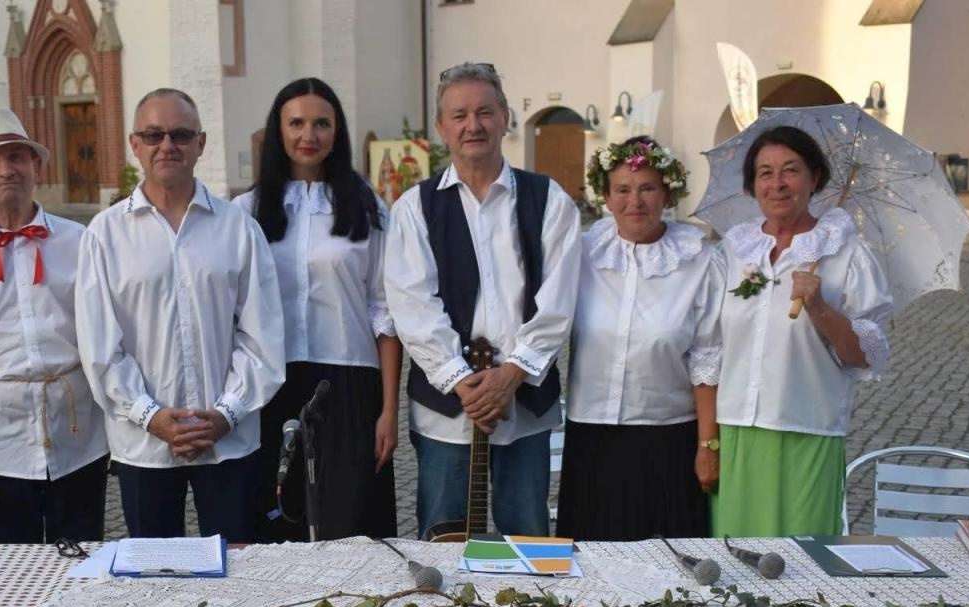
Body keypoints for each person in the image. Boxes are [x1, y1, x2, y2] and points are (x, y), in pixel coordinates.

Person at [75, 88, 283, 541]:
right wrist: (150, 415)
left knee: (238, 566)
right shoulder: (104, 235)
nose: (167, 145)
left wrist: (226, 413)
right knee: (155, 570)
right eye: (154, 135)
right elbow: (99, 346)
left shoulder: (238, 228)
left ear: (200, 143)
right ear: (135, 144)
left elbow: (262, 336)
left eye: (180, 135)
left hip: (228, 441)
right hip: (143, 443)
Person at [385, 62, 580, 539]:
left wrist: (511, 374)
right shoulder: (414, 208)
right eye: (459, 115)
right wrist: (463, 383)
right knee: (443, 539)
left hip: (526, 402)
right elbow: (413, 305)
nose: (473, 125)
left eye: (484, 112)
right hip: (448, 411)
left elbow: (558, 301)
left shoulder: (548, 199)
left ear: (506, 117)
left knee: (527, 537)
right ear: (441, 127)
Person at [236, 77, 399, 542]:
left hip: (349, 383)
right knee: (276, 522)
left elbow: (384, 312)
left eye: (322, 124)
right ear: (279, 130)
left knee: (349, 524)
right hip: (270, 382)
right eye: (297, 123)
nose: (309, 135)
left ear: (337, 131)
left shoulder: (367, 207)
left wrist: (389, 411)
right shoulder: (246, 211)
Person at [711, 124, 892, 537]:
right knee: (736, 556)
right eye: (765, 173)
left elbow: (865, 355)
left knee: (801, 559)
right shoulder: (734, 250)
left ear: (815, 178)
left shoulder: (846, 253)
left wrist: (819, 307)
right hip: (736, 430)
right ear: (752, 185)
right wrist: (708, 441)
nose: (777, 184)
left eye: (790, 170)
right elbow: (709, 346)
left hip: (807, 428)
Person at [0, 109, 109, 545]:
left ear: (36, 166)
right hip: (0, 444)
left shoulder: (81, 241)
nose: (5, 170)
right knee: (8, 563)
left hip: (78, 437)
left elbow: (105, 335)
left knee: (82, 557)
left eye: (16, 156)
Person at [556, 136, 723, 540]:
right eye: (623, 190)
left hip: (669, 436)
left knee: (669, 559)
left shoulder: (700, 262)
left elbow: (707, 357)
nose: (635, 201)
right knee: (592, 556)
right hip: (592, 435)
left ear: (667, 193)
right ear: (606, 197)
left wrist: (708, 445)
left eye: (647, 188)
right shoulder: (580, 254)